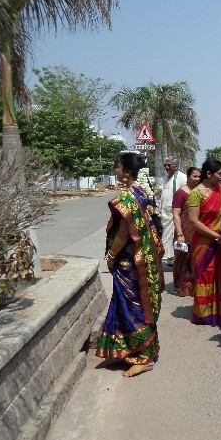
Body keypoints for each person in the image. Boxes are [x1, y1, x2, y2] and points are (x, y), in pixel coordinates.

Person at [96, 152, 164, 377]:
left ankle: (143, 357)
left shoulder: (126, 198)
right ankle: (129, 351)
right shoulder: (142, 193)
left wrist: (112, 255)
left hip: (131, 261)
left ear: (126, 173)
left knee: (134, 306)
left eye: (117, 167)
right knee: (137, 304)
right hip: (145, 257)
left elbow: (124, 232)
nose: (116, 170)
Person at [187, 158, 221, 328]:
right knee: (206, 274)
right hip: (204, 243)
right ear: (209, 174)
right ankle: (204, 314)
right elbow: (193, 221)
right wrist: (215, 236)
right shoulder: (195, 194)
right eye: (219, 173)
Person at [172, 166, 201, 296]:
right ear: (188, 177)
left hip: (196, 230)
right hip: (184, 229)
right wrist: (179, 233)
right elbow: (176, 214)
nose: (197, 179)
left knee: (194, 259)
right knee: (182, 258)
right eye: (194, 176)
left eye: (199, 176)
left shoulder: (200, 192)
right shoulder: (181, 193)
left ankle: (193, 287)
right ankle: (181, 287)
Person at [161, 156, 188, 266]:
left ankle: (178, 259)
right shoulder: (166, 177)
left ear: (175, 166)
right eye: (165, 165)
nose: (167, 167)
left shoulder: (182, 177)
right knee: (167, 236)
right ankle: (170, 258)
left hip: (176, 213)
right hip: (165, 214)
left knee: (177, 236)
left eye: (169, 165)